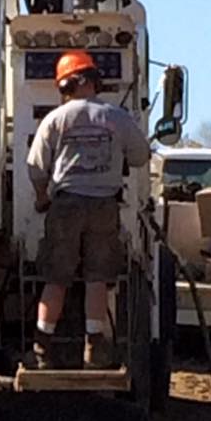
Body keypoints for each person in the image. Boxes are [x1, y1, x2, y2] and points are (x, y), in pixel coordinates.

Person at [27, 50, 151, 370]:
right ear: (92, 81)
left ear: (65, 85)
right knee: (97, 277)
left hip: (65, 206)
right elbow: (140, 157)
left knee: (57, 278)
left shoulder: (56, 119)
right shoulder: (117, 117)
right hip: (104, 207)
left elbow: (36, 166)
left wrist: (42, 196)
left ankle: (42, 349)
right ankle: (94, 349)